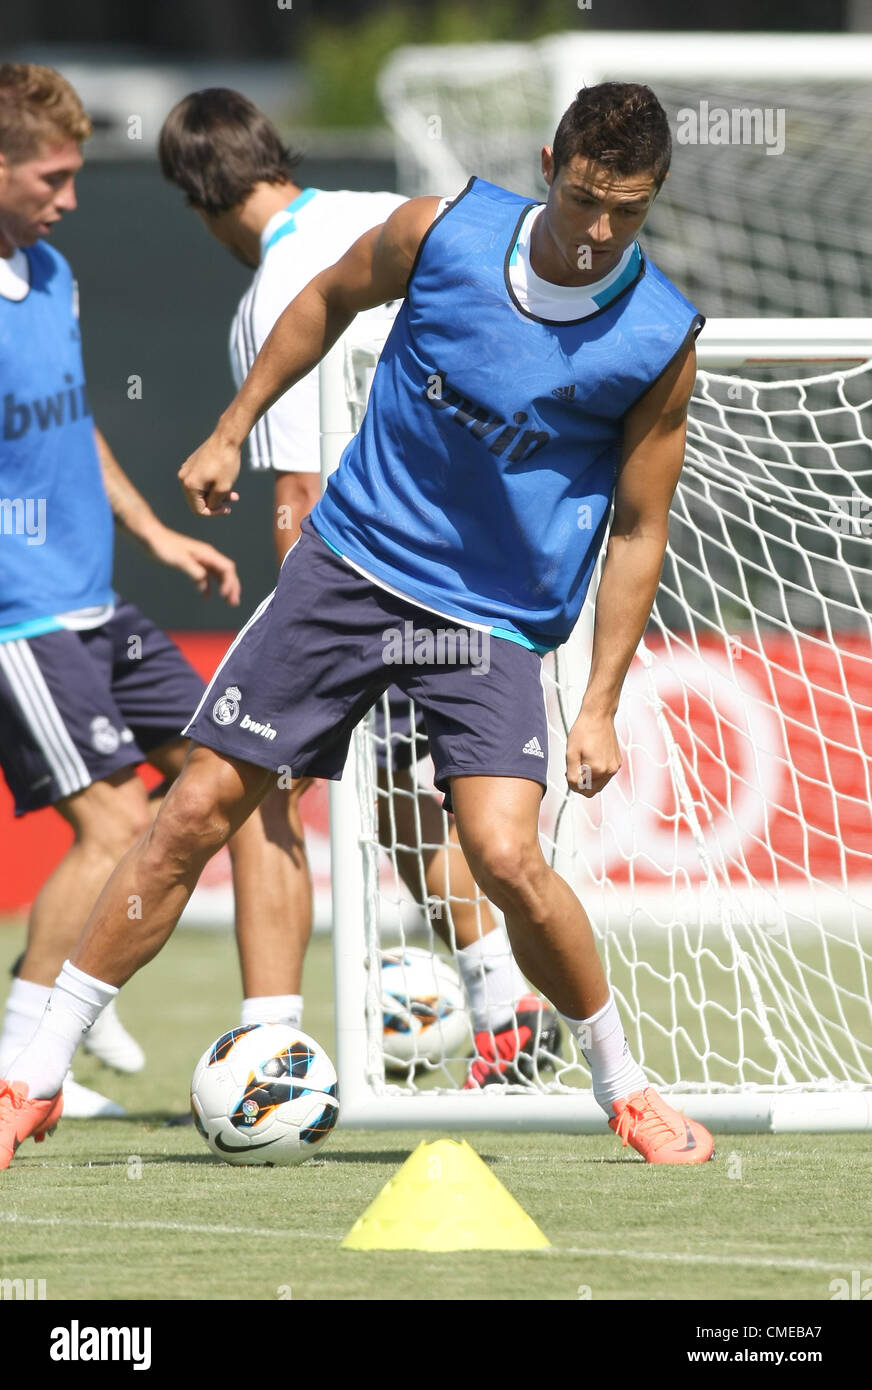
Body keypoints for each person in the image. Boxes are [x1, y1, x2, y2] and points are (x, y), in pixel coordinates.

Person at [1, 80, 715, 1166]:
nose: (599, 231)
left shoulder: (657, 334)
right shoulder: (442, 230)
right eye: (582, 200)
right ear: (545, 166)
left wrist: (601, 704)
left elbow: (638, 525)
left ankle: (622, 1088)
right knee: (195, 806)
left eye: (628, 208)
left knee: (504, 856)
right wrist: (232, 427)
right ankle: (33, 1078)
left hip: (492, 618)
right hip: (351, 565)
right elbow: (323, 300)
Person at [158, 88, 560, 1085]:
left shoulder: (276, 290)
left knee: (254, 782)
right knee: (398, 797)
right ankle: (502, 1003)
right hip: (482, 564)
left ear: (199, 198)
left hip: (374, 570)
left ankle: (271, 1051)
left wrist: (303, 651)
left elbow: (300, 488)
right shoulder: (364, 212)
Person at [0, 63, 284, 1118]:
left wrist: (154, 532)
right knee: (114, 822)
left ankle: (263, 1030)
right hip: (18, 619)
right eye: (53, 177)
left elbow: (73, 421)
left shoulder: (55, 273)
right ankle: (27, 1065)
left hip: (96, 601)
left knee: (233, 771)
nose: (69, 199)